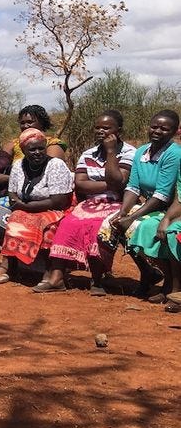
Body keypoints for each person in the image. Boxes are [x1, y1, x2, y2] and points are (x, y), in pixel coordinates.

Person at [0, 105, 67, 273]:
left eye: (30, 122)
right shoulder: (14, 144)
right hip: (7, 191)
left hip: (35, 196)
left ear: (41, 122)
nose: (25, 126)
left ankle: (10, 263)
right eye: (22, 123)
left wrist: (7, 179)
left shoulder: (52, 145)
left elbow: (47, 175)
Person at [36, 111, 135, 294]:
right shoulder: (88, 154)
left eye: (106, 128)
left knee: (97, 226)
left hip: (118, 203)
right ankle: (57, 278)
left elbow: (120, 183)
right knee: (67, 223)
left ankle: (97, 280)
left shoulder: (130, 153)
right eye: (97, 127)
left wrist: (111, 152)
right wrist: (109, 185)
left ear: (118, 130)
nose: (100, 131)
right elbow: (80, 184)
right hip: (89, 203)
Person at [105, 110, 181, 299]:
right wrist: (123, 212)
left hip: (168, 206)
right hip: (151, 204)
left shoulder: (173, 154)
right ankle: (148, 271)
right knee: (112, 224)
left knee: (144, 226)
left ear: (173, 132)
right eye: (154, 126)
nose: (157, 131)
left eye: (164, 129)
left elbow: (163, 194)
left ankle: (170, 282)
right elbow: (133, 187)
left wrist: (132, 217)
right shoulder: (141, 152)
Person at [0, 128, 73, 286]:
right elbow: (12, 193)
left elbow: (59, 201)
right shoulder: (18, 165)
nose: (37, 152)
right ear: (23, 150)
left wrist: (27, 206)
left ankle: (48, 272)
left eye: (41, 148)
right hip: (27, 206)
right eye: (32, 149)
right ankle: (11, 269)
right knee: (14, 219)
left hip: (54, 209)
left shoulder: (56, 165)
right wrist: (20, 205)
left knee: (46, 224)